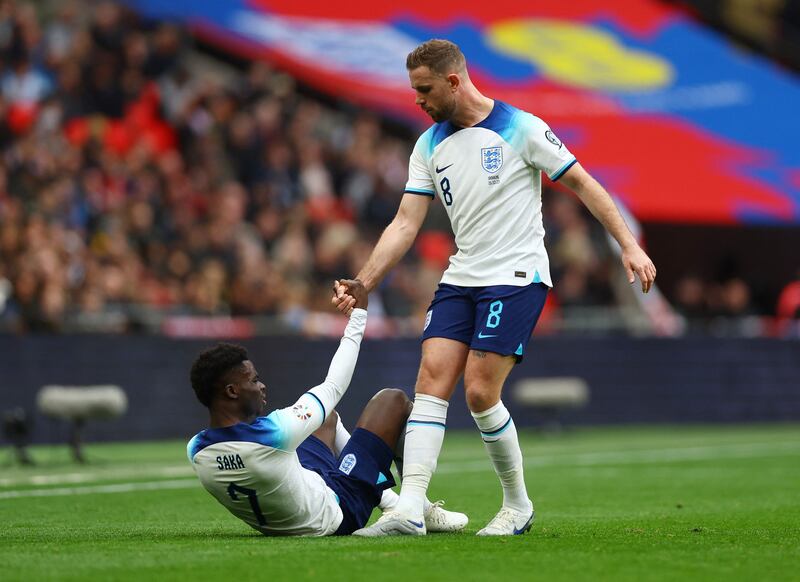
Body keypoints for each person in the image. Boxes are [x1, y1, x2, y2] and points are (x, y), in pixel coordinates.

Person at [334, 39, 657, 537]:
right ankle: (410, 511)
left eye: (424, 90)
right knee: (430, 382)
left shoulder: (521, 128)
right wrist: (365, 281)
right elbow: (404, 223)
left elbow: (586, 185)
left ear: (454, 81)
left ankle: (517, 506)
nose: (417, 100)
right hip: (462, 277)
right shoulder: (428, 144)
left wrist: (628, 246)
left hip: (516, 276)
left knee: (481, 393)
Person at [187, 279, 467, 536]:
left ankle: (398, 502)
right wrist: (359, 315)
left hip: (296, 502)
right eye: (254, 380)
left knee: (325, 419)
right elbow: (334, 385)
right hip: (339, 511)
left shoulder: (197, 451)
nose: (262, 386)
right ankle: (413, 507)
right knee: (391, 400)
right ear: (232, 391)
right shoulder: (275, 434)